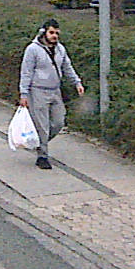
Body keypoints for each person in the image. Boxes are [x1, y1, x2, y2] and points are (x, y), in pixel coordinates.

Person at [18, 18, 83, 170]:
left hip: (55, 91)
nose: (54, 36)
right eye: (52, 33)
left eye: (57, 33)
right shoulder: (33, 49)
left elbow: (67, 67)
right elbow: (26, 72)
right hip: (38, 91)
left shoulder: (60, 49)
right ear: (44, 33)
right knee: (42, 125)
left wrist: (77, 82)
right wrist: (24, 93)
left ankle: (39, 142)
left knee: (59, 121)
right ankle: (42, 156)